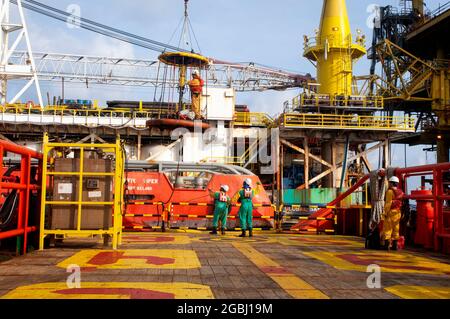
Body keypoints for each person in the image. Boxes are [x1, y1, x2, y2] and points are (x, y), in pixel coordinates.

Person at [381, 176, 404, 251]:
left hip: (391, 212)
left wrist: (384, 213)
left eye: (389, 183)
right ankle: (395, 246)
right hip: (398, 213)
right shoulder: (400, 192)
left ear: (391, 183)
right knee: (396, 229)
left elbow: (388, 203)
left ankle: (386, 246)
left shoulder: (390, 192)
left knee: (387, 229)